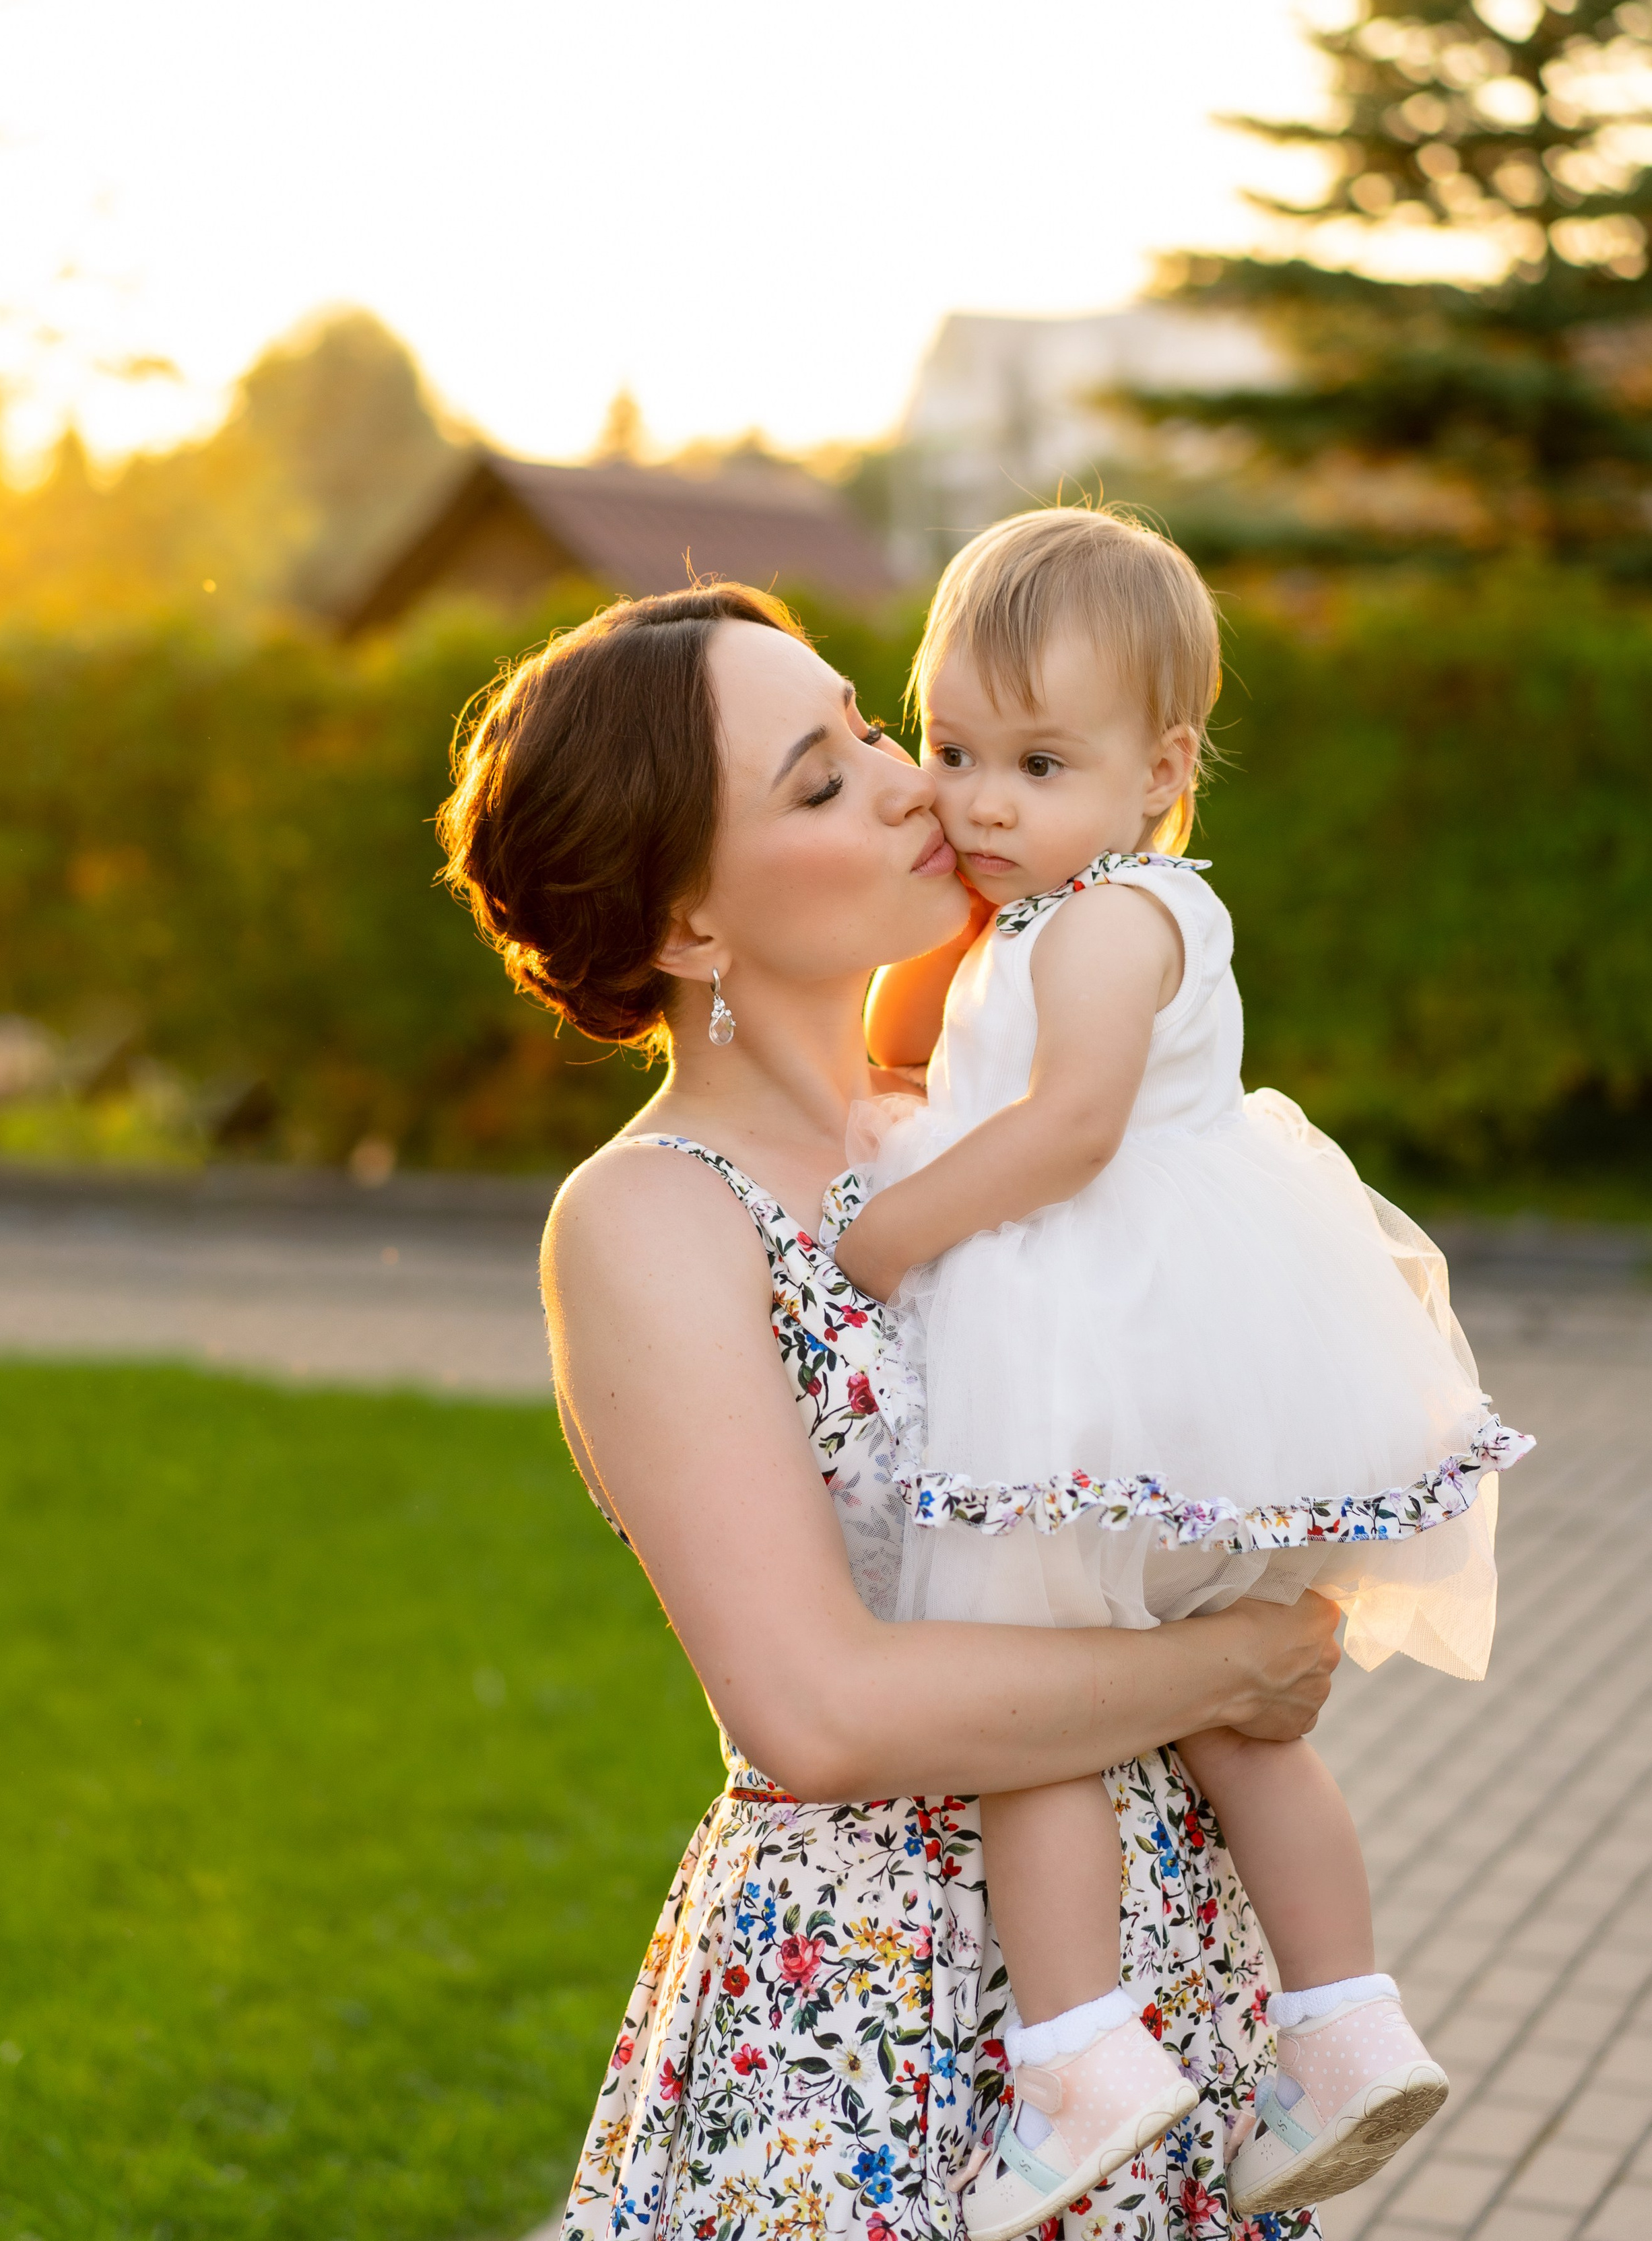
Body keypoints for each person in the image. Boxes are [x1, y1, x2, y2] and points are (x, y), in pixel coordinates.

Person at [437, 580, 1345, 2240]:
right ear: (690, 927)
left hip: (1157, 1958)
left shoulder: (977, 1127)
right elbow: (820, 1709)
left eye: (867, 725)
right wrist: (1230, 1669)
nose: (911, 782)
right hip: (873, 2009)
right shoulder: (653, 1214)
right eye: (818, 779)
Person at [834, 511, 1533, 2239]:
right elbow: (904, 1045)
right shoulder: (1073, 904)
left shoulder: (1100, 926)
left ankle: (1075, 2059)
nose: (977, 801)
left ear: (1158, 769)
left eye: (1037, 762)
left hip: (1084, 1376)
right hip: (1179, 1385)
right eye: (948, 749)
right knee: (1229, 1719)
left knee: (1037, 1717)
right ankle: (1342, 2019)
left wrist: (894, 1230)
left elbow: (1066, 1132)